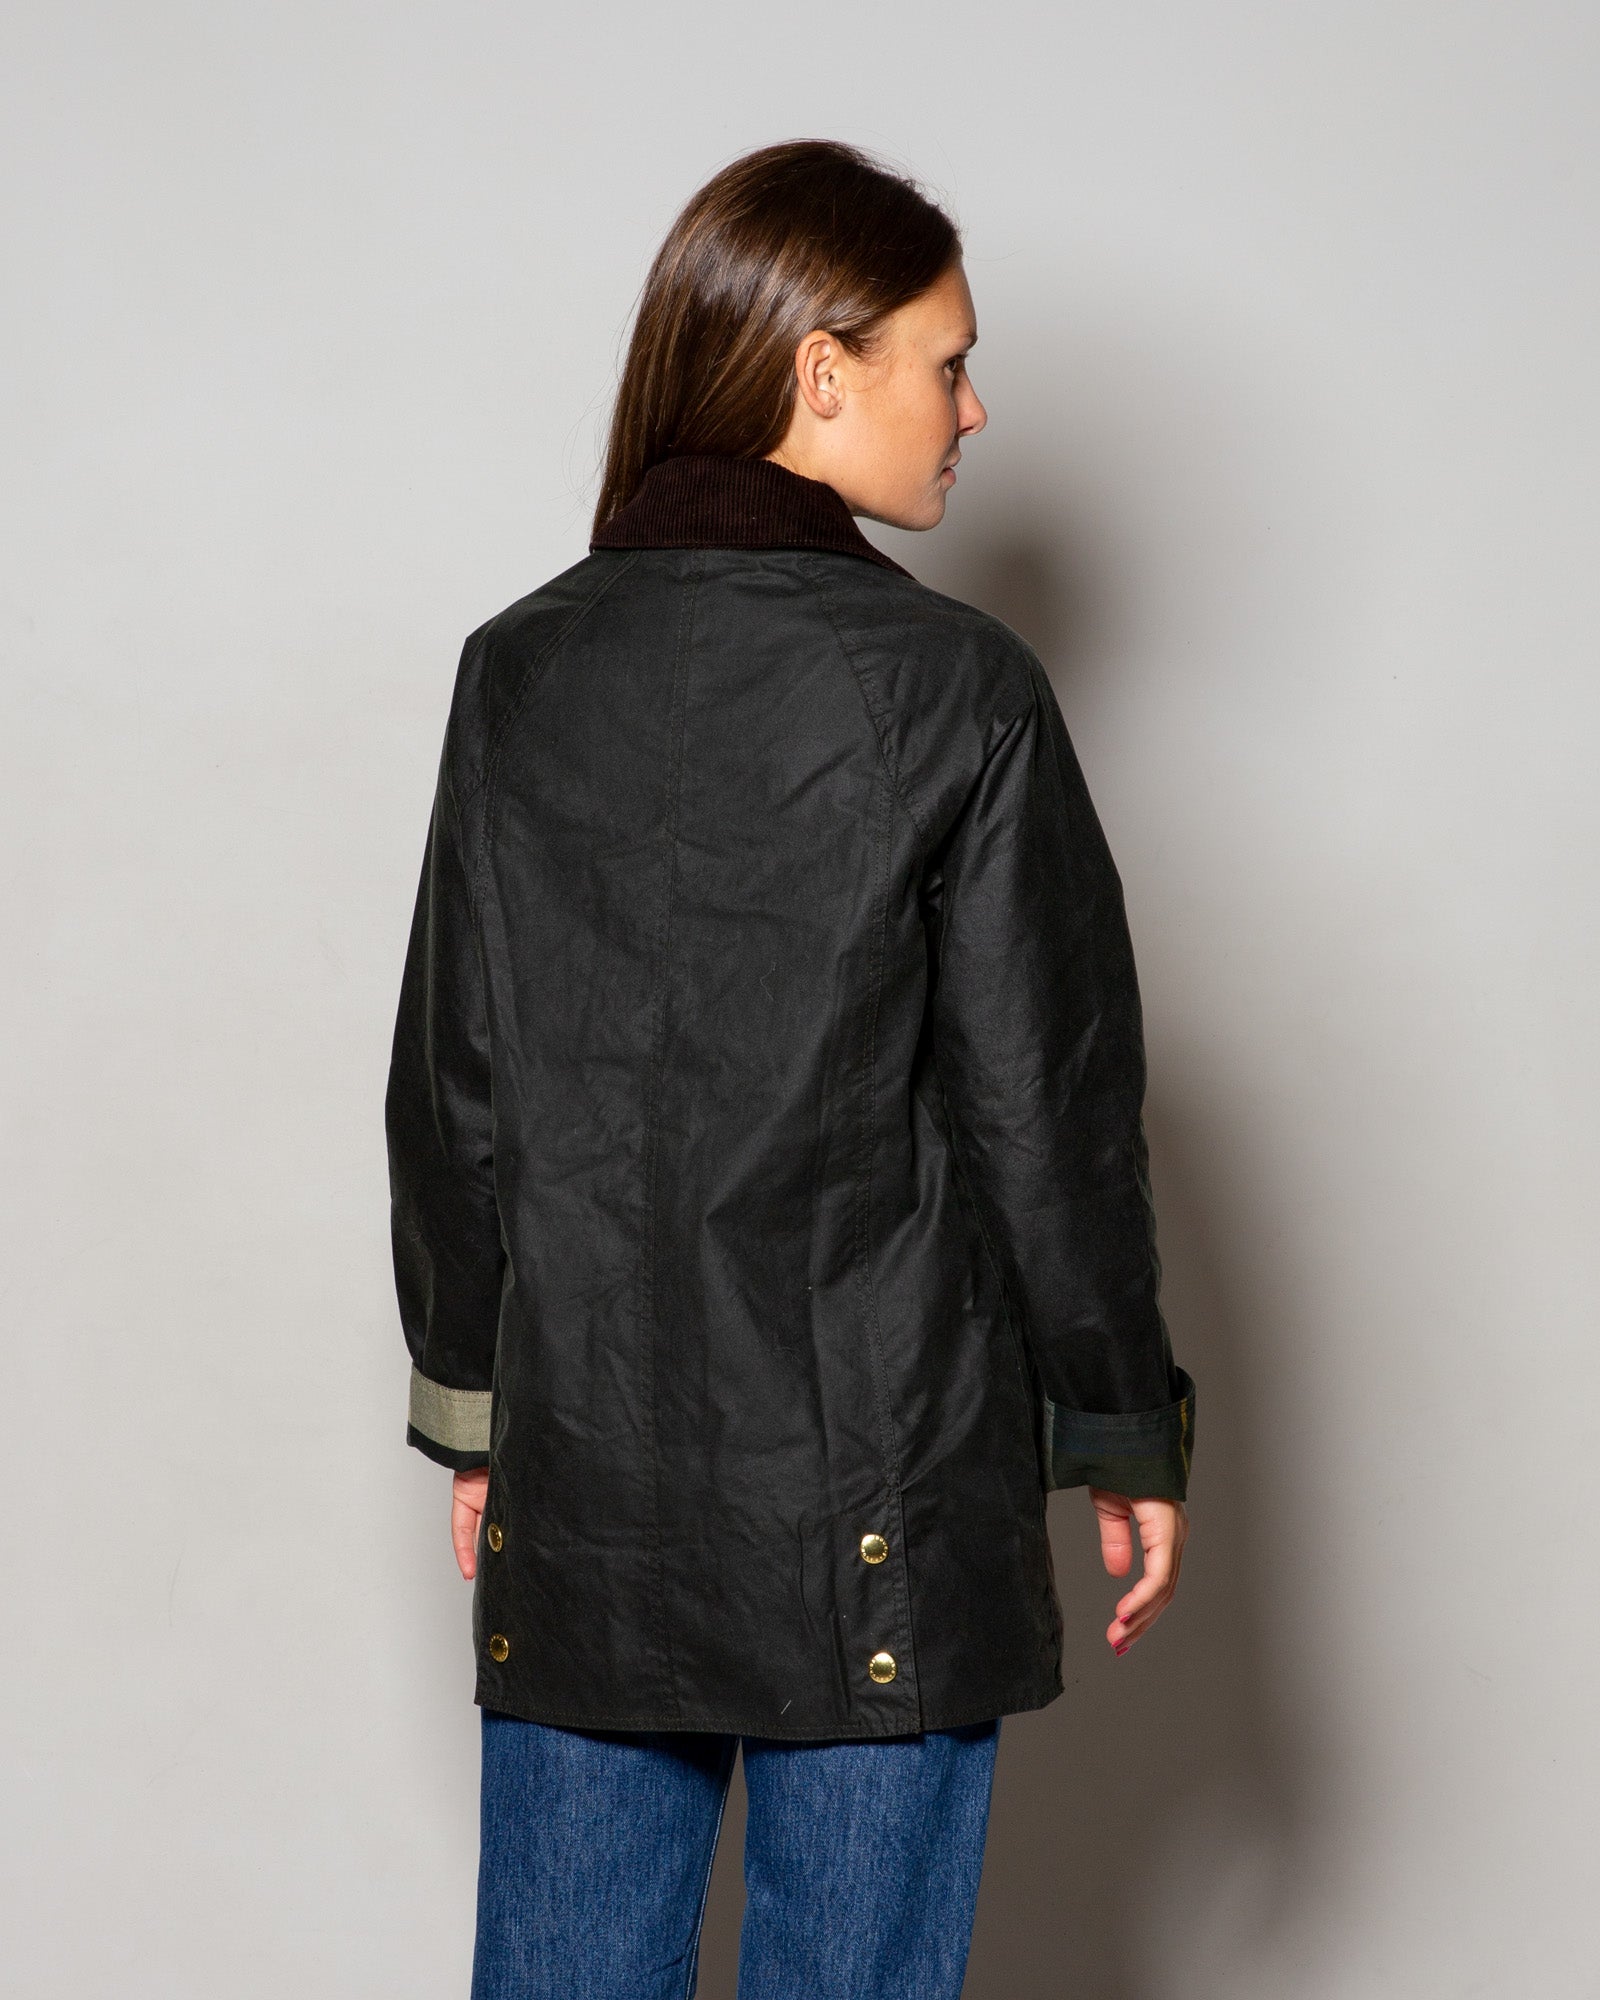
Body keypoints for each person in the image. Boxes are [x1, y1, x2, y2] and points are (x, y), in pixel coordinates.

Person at [385, 138, 1195, 2000]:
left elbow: (454, 1085)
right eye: (947, 362)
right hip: (886, 1501)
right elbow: (1048, 1116)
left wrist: (481, 1418)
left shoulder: (518, 671)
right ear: (822, 371)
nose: (974, 410)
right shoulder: (959, 689)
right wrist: (1117, 1426)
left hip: (591, 1478)